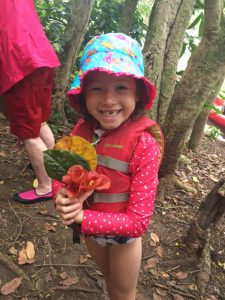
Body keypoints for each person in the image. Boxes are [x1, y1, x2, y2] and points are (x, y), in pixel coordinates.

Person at [54, 33, 164, 300]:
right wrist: (60, 193)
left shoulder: (144, 145)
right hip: (92, 232)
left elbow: (138, 223)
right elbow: (62, 174)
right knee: (110, 277)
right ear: (84, 94)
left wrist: (81, 217)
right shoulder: (82, 132)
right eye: (97, 88)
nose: (108, 100)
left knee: (124, 291)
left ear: (137, 93)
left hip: (123, 238)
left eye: (121, 88)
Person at [0, 0, 60, 204]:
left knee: (29, 134)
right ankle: (53, 173)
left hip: (20, 66)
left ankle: (45, 187)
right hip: (42, 58)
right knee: (40, 122)